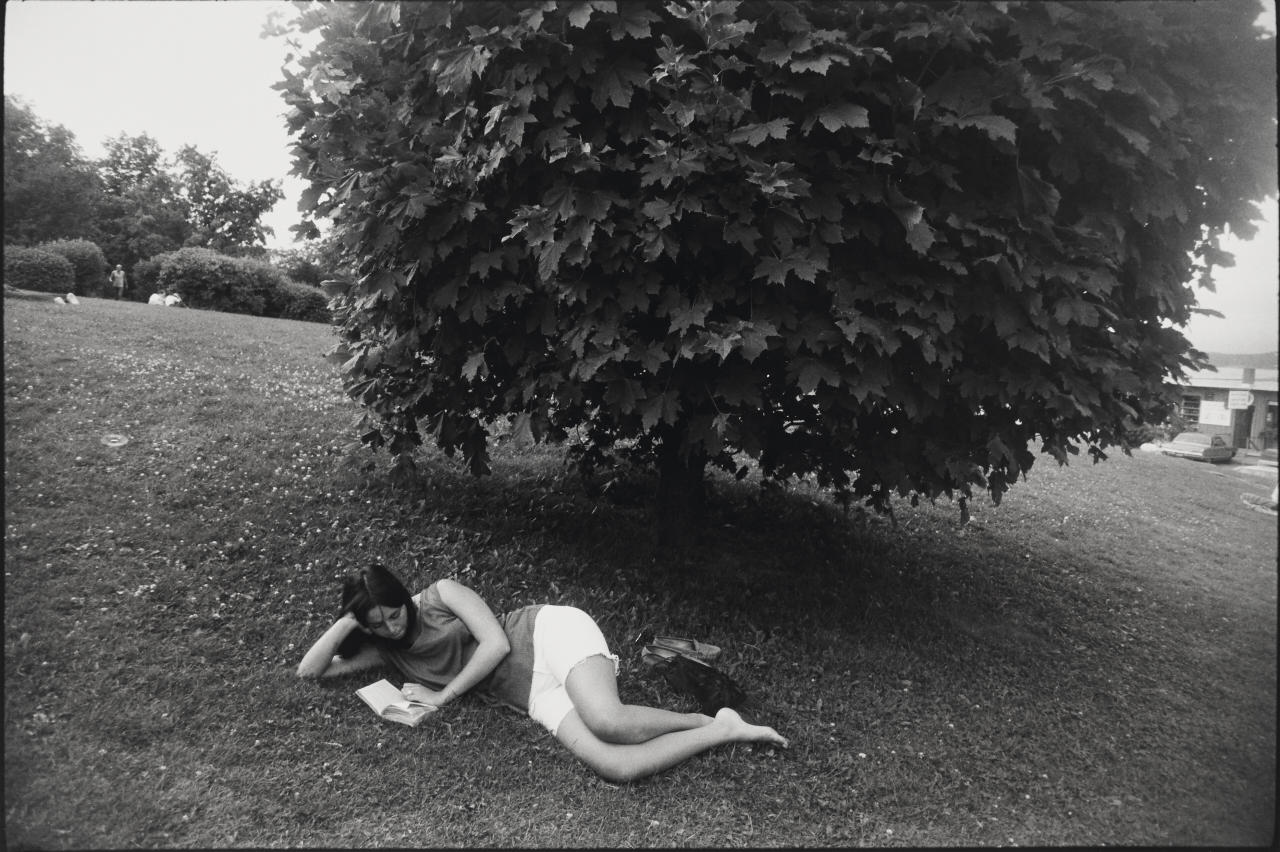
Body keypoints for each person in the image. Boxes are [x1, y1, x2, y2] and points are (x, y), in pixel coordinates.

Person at [297, 563, 788, 782]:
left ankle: (703, 721)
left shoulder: (442, 594)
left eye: (393, 611)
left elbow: (496, 645)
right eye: (377, 622)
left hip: (547, 635)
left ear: (402, 596)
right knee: (618, 766)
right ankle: (721, 727)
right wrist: (347, 620)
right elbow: (310, 673)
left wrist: (442, 698)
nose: (391, 624)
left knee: (609, 722)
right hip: (530, 695)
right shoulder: (385, 647)